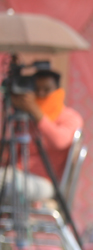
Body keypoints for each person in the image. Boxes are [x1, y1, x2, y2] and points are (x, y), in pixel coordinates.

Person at [7, 67, 83, 203]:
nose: (41, 94)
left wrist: (36, 112)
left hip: (45, 181)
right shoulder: (24, 118)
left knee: (7, 184)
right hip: (15, 173)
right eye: (37, 90)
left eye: (46, 90)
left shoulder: (70, 117)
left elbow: (60, 141)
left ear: (58, 91)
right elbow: (7, 153)